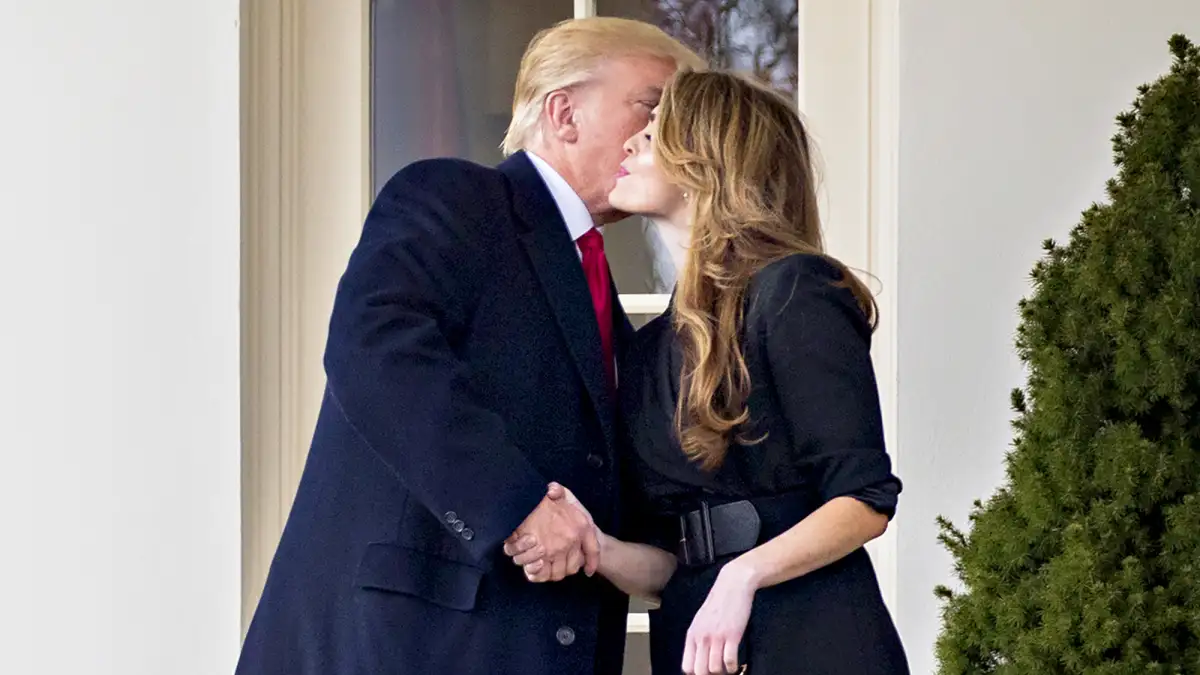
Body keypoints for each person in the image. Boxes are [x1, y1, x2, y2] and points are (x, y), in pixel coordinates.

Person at [235, 18, 704, 675]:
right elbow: (377, 348)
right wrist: (514, 505)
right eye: (651, 107)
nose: (670, 135)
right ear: (564, 113)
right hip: (406, 644)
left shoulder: (601, 291)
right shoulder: (456, 199)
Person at [507, 70, 910, 674]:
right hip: (698, 641)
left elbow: (864, 500)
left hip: (812, 636)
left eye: (655, 131)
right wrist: (596, 547)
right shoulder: (647, 350)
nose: (632, 143)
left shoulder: (794, 290)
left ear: (706, 159)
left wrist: (741, 577)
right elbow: (669, 562)